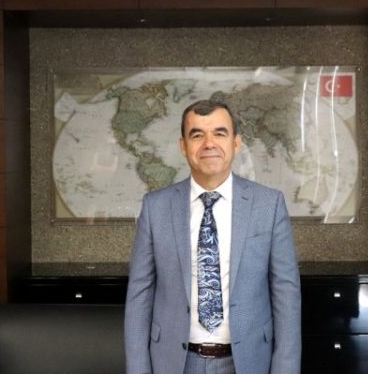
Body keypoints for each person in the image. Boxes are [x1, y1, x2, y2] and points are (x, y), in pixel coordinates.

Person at [125, 100, 301, 374]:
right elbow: (140, 294)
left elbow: (286, 293)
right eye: (197, 135)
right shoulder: (155, 207)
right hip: (175, 362)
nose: (209, 144)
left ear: (236, 143)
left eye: (220, 133)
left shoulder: (268, 204)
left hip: (247, 361)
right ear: (183, 146)